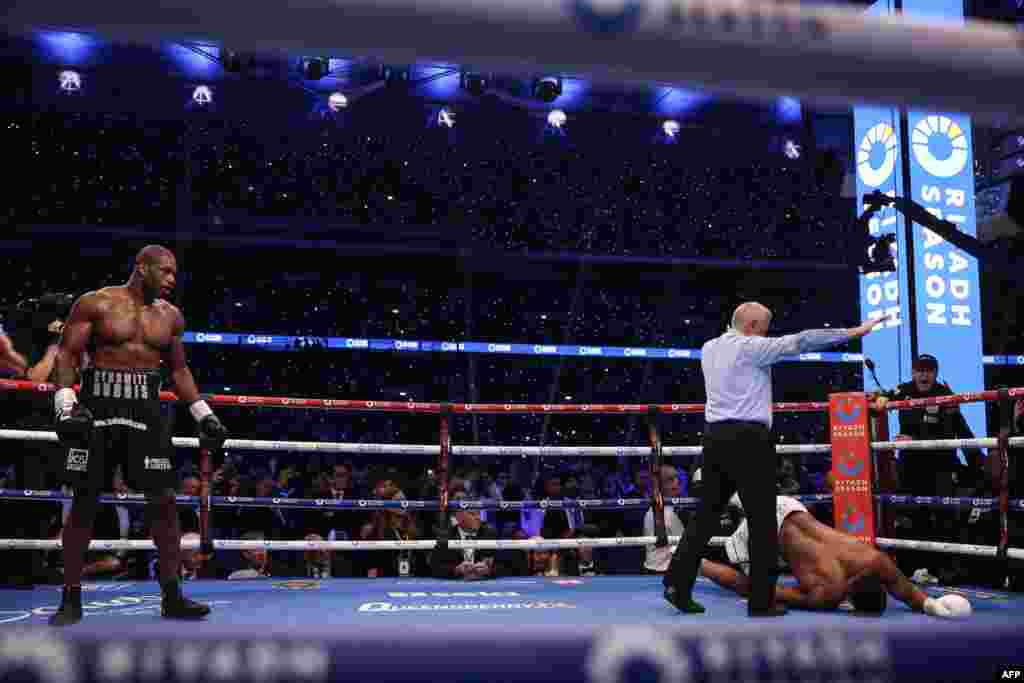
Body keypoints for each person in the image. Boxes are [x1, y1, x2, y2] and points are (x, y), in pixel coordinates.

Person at [663, 302, 889, 617]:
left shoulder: (710, 348)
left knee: (705, 516)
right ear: (752, 326)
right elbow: (803, 340)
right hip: (749, 440)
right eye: (764, 328)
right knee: (763, 520)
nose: (767, 335)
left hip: (715, 437)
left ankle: (677, 583)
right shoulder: (751, 348)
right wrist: (855, 332)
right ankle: (761, 601)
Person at [48, 245, 228, 626]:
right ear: (141, 268)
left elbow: (178, 371)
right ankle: (70, 598)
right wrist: (65, 404)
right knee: (84, 503)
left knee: (164, 503)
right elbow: (66, 354)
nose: (171, 279)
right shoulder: (96, 303)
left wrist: (204, 414)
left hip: (147, 413)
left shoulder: (170, 316)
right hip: (97, 410)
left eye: (174, 272)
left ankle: (172, 596)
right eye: (165, 271)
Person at [700, 495, 972, 619]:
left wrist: (933, 605)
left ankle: (725, 490)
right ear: (850, 602)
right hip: (764, 530)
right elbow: (766, 591)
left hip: (789, 506)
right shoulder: (827, 594)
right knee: (756, 587)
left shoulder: (875, 561)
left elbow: (909, 592)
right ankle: (697, 564)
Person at [879, 354, 985, 584]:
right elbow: (883, 395)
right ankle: (910, 569)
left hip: (940, 467)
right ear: (913, 372)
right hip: (910, 467)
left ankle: (941, 570)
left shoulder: (945, 394)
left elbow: (952, 431)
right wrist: (880, 398)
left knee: (942, 517)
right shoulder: (904, 390)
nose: (923, 374)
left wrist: (979, 463)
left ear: (935, 373)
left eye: (928, 370)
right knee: (910, 516)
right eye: (919, 370)